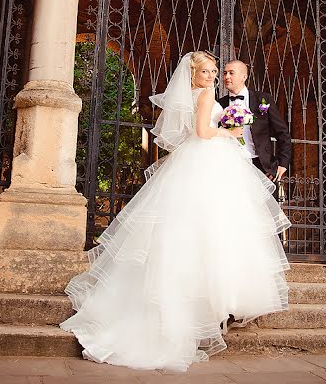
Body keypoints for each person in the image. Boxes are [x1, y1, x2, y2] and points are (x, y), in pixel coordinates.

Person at [60, 51, 290, 372]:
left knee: (204, 233)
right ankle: (210, 310)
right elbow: (203, 131)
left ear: (244, 75)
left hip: (228, 162)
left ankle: (212, 310)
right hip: (213, 160)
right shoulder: (211, 95)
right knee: (214, 232)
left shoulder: (256, 99)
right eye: (212, 71)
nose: (218, 77)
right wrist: (229, 132)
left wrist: (278, 159)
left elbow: (277, 128)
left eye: (221, 72)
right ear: (195, 74)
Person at [219, 60, 292, 192]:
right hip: (230, 164)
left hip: (263, 166)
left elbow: (282, 132)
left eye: (231, 73)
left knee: (266, 211)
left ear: (244, 77)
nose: (226, 77)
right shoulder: (219, 104)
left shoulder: (263, 99)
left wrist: (283, 163)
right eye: (225, 73)